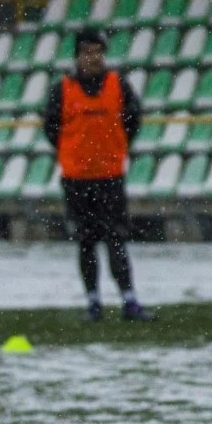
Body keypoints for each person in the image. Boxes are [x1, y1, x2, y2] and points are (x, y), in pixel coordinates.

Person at [43, 26, 155, 322]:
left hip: (109, 175)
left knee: (116, 238)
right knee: (86, 240)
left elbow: (133, 120)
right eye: (86, 52)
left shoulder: (119, 85)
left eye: (97, 52)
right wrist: (74, 153)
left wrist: (113, 150)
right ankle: (93, 302)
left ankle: (129, 300)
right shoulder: (63, 89)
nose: (92, 58)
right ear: (77, 56)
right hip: (77, 177)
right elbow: (51, 128)